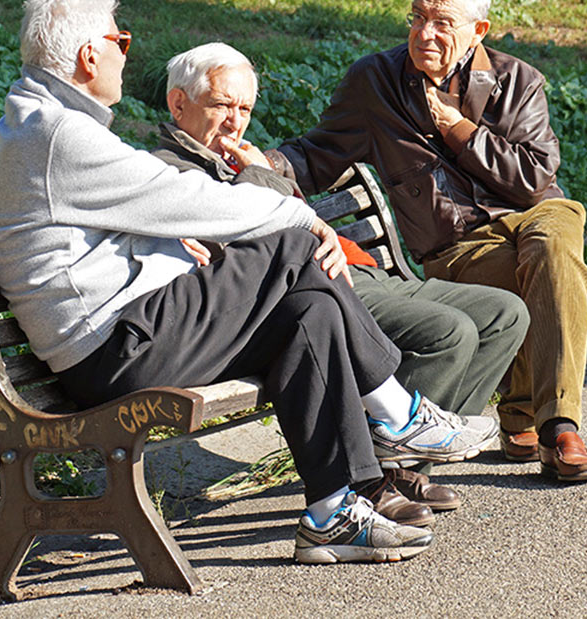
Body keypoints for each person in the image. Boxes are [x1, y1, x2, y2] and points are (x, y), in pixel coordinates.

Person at [0, 0, 489, 564]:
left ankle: (332, 513)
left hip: (123, 335)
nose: (127, 52)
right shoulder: (56, 133)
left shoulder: (46, 123)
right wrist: (303, 216)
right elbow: (182, 198)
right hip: (111, 352)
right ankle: (400, 416)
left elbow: (111, 225)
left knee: (309, 312)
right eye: (120, 39)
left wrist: (173, 248)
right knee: (291, 247)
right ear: (87, 55)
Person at [152, 42, 527, 513]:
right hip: (311, 291)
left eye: (245, 108)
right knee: (448, 333)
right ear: (178, 103)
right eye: (223, 105)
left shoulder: (235, 158)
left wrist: (257, 173)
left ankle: (402, 465)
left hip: (354, 269)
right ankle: (381, 477)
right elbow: (241, 245)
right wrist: (259, 176)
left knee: (505, 313)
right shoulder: (167, 172)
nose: (236, 121)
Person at [270, 0, 587, 481]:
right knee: (544, 278)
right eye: (418, 17)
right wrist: (260, 164)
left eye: (443, 22)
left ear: (479, 31)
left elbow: (536, 180)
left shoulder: (517, 81)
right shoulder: (375, 82)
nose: (426, 33)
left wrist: (461, 131)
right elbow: (319, 153)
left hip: (536, 215)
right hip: (460, 246)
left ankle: (559, 425)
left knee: (555, 245)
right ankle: (521, 412)